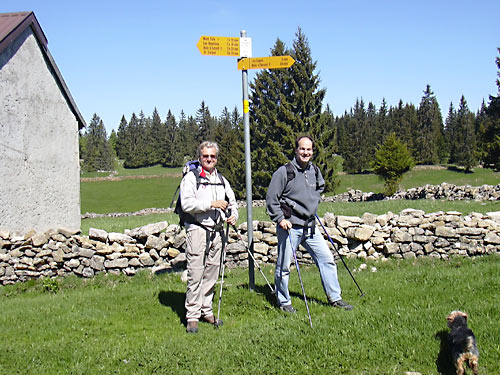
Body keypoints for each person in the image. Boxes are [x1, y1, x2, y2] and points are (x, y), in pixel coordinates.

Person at [266, 135, 353, 312]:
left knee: (327, 259)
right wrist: (281, 219)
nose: (306, 152)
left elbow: (320, 187)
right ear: (296, 150)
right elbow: (271, 199)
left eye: (309, 149)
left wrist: (313, 202)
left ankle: (335, 298)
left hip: (310, 226)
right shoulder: (284, 172)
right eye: (302, 149)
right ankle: (284, 302)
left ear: (312, 151)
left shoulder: (314, 170)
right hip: (290, 226)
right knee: (284, 266)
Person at [180, 141, 238, 333]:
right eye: (206, 156)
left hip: (218, 231)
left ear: (217, 158)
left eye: (213, 156)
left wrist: (233, 215)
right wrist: (211, 204)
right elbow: (186, 204)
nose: (209, 159)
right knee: (195, 272)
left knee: (212, 272)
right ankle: (192, 316)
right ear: (200, 157)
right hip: (197, 229)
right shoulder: (191, 178)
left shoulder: (221, 180)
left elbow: (232, 201)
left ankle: (207, 310)